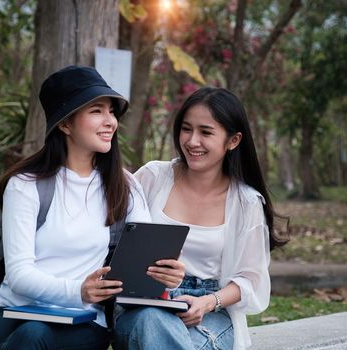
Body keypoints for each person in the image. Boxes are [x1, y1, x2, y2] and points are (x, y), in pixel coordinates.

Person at [0, 66, 184, 350]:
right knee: (31, 335)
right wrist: (79, 290)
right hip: (9, 312)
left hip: (82, 319)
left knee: (35, 336)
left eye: (111, 111)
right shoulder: (26, 184)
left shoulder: (124, 185)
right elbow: (19, 275)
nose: (110, 121)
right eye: (96, 111)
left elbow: (141, 266)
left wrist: (166, 277)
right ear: (65, 124)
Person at [113, 87, 287, 350]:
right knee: (151, 321)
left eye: (205, 132)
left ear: (233, 140)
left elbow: (251, 281)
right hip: (143, 304)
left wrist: (208, 303)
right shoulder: (153, 177)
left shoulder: (246, 202)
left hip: (210, 311)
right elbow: (114, 238)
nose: (192, 141)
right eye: (186, 129)